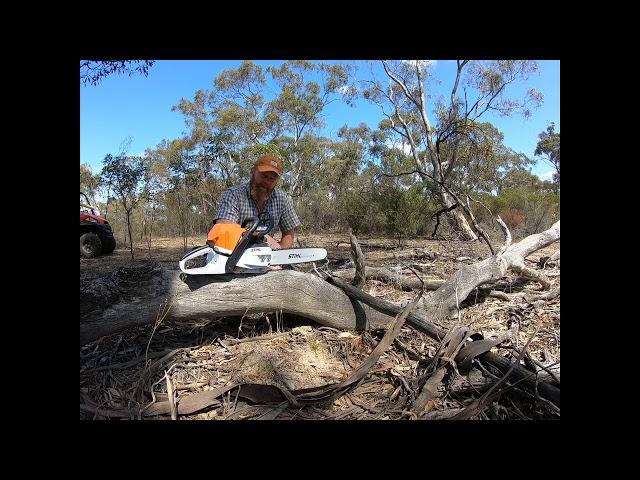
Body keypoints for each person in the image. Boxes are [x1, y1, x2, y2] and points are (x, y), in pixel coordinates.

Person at [214, 154, 301, 250]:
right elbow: (224, 226)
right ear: (252, 172)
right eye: (264, 176)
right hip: (232, 252)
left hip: (263, 255)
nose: (267, 182)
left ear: (277, 181)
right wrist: (261, 237)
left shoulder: (282, 199)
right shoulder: (234, 194)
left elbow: (288, 234)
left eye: (272, 179)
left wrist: (279, 251)